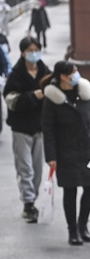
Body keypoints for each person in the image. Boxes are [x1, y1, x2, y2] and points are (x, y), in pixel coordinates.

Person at [42, 60, 90, 246]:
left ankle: (83, 224)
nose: (76, 75)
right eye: (73, 72)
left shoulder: (84, 92)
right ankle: (72, 230)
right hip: (65, 151)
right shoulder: (52, 98)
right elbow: (48, 129)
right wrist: (51, 156)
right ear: (63, 76)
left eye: (77, 70)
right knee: (70, 190)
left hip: (87, 148)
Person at [4, 37, 50, 223]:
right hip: (21, 128)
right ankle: (28, 203)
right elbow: (11, 100)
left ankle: (33, 197)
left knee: (38, 168)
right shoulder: (16, 75)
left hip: (40, 127)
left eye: (36, 49)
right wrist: (34, 96)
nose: (34, 53)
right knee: (25, 168)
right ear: (23, 52)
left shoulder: (45, 72)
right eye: (30, 50)